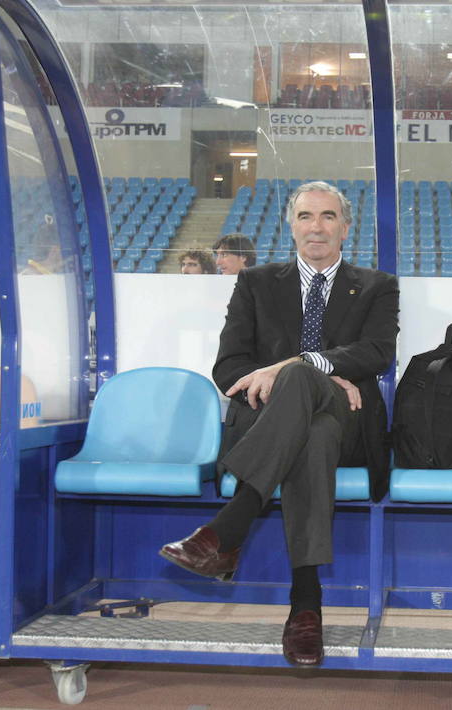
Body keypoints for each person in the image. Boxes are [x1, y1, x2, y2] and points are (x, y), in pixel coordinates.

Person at [160, 181, 398, 667]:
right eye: (307, 216)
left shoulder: (378, 285)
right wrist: (307, 378)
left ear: (346, 228)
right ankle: (305, 607)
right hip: (278, 422)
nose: (317, 226)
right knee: (312, 433)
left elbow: (377, 353)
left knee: (304, 381)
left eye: (329, 216)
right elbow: (227, 368)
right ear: (291, 225)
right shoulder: (255, 283)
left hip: (350, 422)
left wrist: (302, 367)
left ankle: (228, 530)